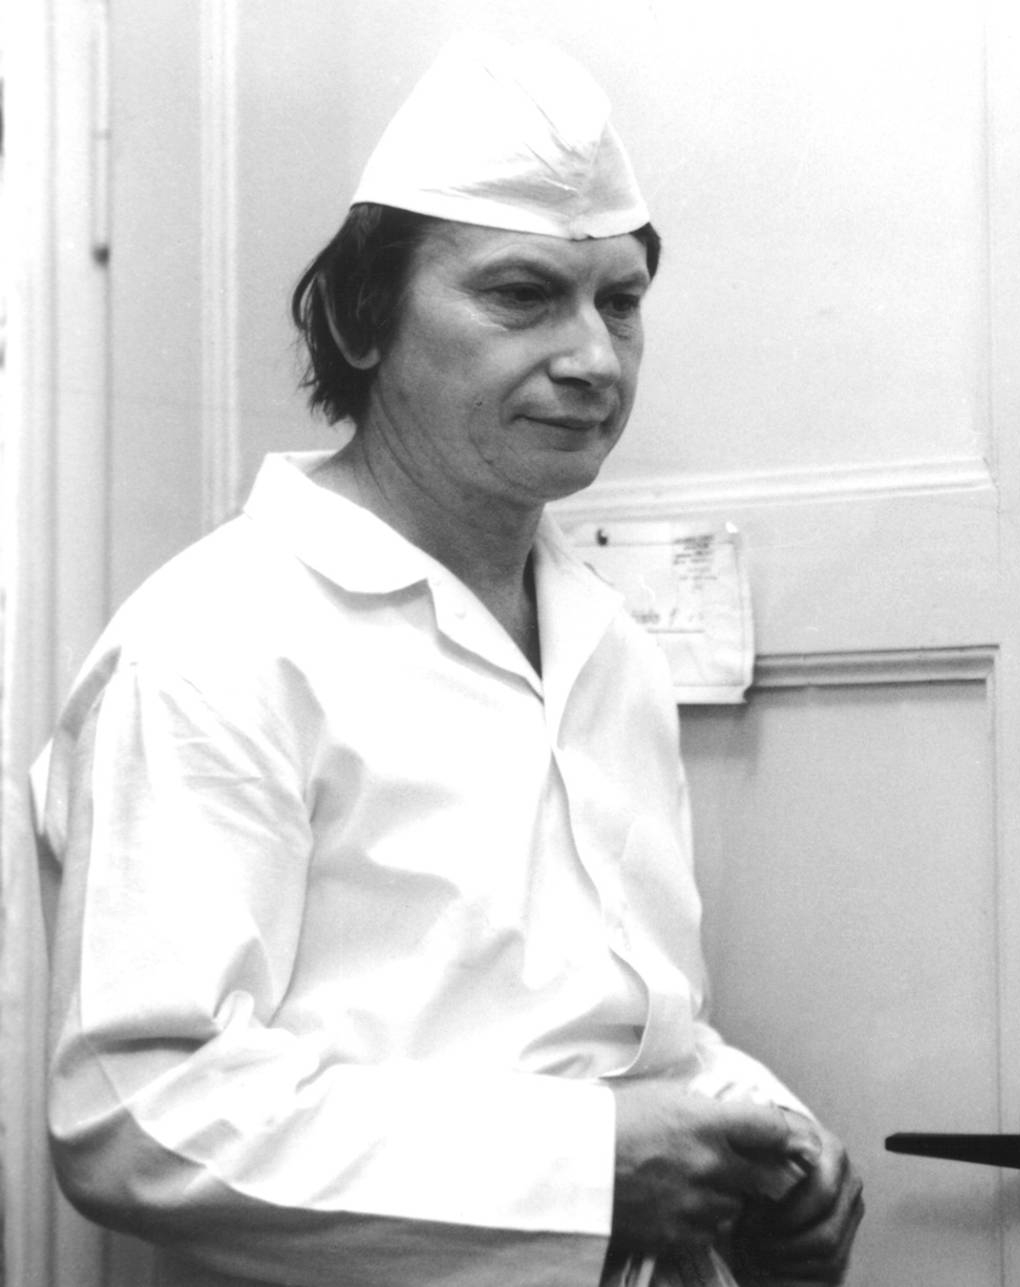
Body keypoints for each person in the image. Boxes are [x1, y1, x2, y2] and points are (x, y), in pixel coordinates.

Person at [32, 36, 861, 1287]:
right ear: (362, 318)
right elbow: (137, 1118)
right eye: (523, 295)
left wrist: (764, 1138)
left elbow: (626, 1033)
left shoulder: (610, 650)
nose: (594, 358)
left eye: (620, 301)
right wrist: (586, 1171)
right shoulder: (213, 643)